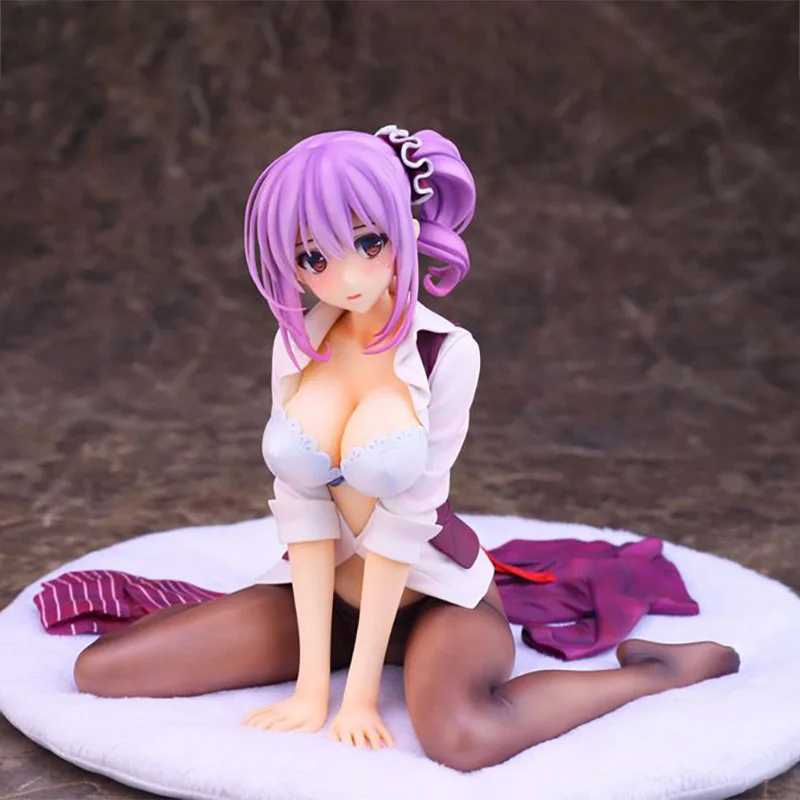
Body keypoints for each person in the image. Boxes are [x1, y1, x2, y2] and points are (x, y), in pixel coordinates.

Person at [73, 125, 740, 772]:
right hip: (327, 597)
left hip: (434, 600)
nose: (346, 275)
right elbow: (303, 511)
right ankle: (316, 656)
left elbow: (406, 520)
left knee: (465, 738)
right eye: (313, 258)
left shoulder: (446, 352)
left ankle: (657, 673)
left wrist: (359, 696)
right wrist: (311, 690)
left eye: (369, 242)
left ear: (405, 228)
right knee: (102, 670)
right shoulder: (298, 342)